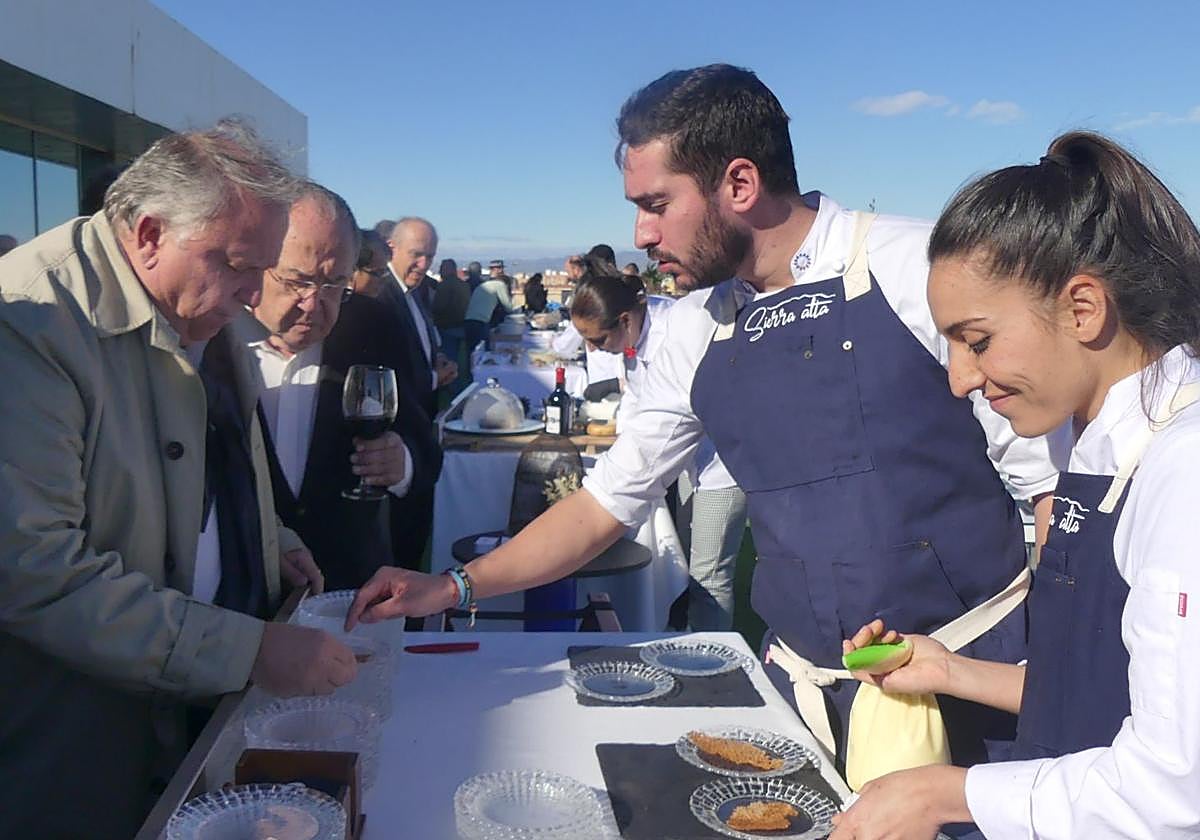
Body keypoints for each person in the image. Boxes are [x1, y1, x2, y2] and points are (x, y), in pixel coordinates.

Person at [346, 65, 1057, 798]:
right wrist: (453, 586)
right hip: (803, 703)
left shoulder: (917, 267)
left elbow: (1050, 491)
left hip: (976, 690)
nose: (640, 234)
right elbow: (605, 506)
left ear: (740, 185)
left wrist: (1059, 675)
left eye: (656, 204)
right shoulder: (694, 328)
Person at [831, 132, 1200, 840]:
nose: (959, 379)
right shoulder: (1089, 442)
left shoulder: (1179, 474)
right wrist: (950, 672)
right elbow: (1101, 694)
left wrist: (946, 794)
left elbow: (1172, 790)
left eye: (976, 341)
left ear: (1083, 309)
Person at [0, 122, 357, 839]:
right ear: (151, 233)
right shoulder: (32, 326)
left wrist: (269, 537)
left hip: (192, 715)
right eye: (237, 264)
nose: (255, 291)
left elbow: (213, 468)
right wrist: (249, 650)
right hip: (84, 751)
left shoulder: (198, 302)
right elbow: (34, 572)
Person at [240, 183, 442, 589]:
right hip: (240, 602)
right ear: (257, 263)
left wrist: (401, 464)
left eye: (335, 283)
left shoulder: (371, 327)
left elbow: (425, 449)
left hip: (348, 592)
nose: (314, 303)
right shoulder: (212, 338)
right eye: (297, 281)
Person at [571, 272, 746, 630]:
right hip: (685, 463)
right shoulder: (632, 341)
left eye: (598, 339)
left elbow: (681, 412)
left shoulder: (678, 330)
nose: (593, 348)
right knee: (683, 564)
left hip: (723, 463)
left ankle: (710, 663)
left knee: (708, 576)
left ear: (624, 320)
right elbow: (637, 403)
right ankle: (684, 637)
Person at [382, 216, 457, 418]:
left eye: (430, 257)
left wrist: (436, 359)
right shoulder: (380, 296)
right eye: (416, 254)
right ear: (391, 248)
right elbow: (386, 373)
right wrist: (434, 378)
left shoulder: (414, 290)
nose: (423, 265)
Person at [463, 258, 519, 365]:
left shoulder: (485, 284)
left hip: (468, 320)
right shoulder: (500, 285)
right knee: (485, 355)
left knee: (472, 354)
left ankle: (470, 377)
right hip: (481, 322)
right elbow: (507, 306)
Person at [433, 256, 471, 376]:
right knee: (461, 359)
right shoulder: (464, 285)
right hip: (463, 325)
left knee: (447, 360)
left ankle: (450, 385)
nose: (439, 271)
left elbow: (438, 306)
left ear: (447, 269)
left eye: (441, 268)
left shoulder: (445, 285)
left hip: (447, 326)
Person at [350, 229, 393, 298]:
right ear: (352, 271)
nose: (383, 280)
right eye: (377, 273)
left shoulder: (382, 304)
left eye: (384, 272)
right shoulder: (332, 304)